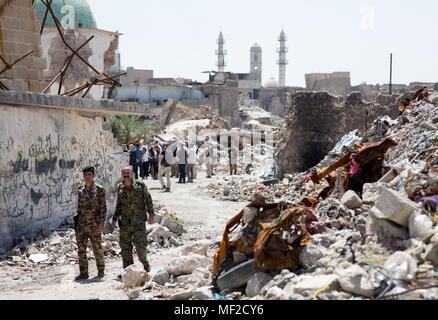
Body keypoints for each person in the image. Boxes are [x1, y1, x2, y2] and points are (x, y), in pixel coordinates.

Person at [111, 167, 155, 273]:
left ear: (132, 173)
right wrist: (115, 218)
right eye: (124, 173)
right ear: (122, 174)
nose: (126, 174)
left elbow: (148, 199)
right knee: (125, 247)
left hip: (138, 221)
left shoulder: (140, 185)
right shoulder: (120, 187)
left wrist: (151, 214)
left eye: (128, 172)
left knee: (140, 246)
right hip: (125, 222)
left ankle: (145, 265)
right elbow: (119, 204)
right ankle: (128, 270)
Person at [74, 166, 106, 281]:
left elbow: (103, 208)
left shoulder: (99, 189)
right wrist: (77, 224)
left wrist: (101, 223)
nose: (87, 177)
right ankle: (84, 273)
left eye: (89, 175)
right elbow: (79, 208)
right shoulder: (80, 190)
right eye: (85, 175)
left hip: (94, 224)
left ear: (93, 176)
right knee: (81, 249)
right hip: (82, 225)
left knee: (97, 248)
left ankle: (101, 270)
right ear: (83, 176)